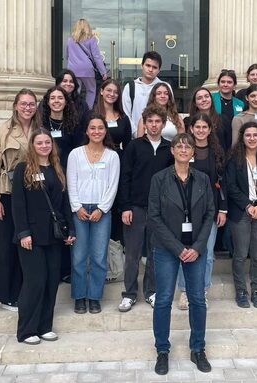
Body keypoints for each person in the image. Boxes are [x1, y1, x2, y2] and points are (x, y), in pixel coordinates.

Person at [148, 133, 214, 376]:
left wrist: (196, 247)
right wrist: (178, 248)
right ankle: (162, 350)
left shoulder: (203, 179)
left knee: (197, 299)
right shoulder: (159, 179)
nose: (184, 150)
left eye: (188, 146)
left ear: (193, 152)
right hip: (167, 248)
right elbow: (153, 217)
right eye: (179, 146)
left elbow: (209, 213)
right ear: (173, 151)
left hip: (195, 248)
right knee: (164, 299)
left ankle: (198, 348)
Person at [11, 129, 76, 345]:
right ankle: (27, 330)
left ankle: (44, 326)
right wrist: (23, 232)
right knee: (34, 282)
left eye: (47, 142)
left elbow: (64, 202)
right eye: (39, 143)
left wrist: (70, 231)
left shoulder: (58, 169)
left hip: (54, 236)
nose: (44, 146)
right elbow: (18, 204)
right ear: (32, 145)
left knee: (50, 282)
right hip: (32, 237)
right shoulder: (23, 169)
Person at [0, 88, 40, 312]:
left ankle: (23, 290)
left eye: (31, 104)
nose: (28, 108)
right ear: (16, 106)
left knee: (25, 246)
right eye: (24, 104)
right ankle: (6, 295)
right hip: (8, 194)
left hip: (32, 194)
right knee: (6, 245)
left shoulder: (39, 129)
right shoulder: (3, 131)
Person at [117, 105, 174, 312]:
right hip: (136, 207)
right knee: (132, 253)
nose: (154, 125)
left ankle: (151, 292)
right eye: (150, 121)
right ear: (145, 123)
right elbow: (125, 178)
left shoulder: (170, 149)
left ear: (163, 124)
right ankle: (129, 294)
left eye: (158, 121)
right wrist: (125, 207)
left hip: (160, 210)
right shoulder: (134, 146)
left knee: (154, 252)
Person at [66, 114, 120, 314]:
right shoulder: (75, 154)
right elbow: (71, 182)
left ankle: (95, 296)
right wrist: (77, 207)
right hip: (79, 208)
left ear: (105, 131)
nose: (97, 131)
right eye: (93, 128)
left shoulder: (112, 156)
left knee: (98, 256)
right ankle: (79, 296)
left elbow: (113, 185)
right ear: (87, 131)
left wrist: (102, 209)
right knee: (79, 256)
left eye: (100, 128)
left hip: (102, 211)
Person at [177, 113, 227, 310]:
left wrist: (222, 208)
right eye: (197, 127)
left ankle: (202, 290)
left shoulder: (217, 152)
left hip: (210, 210)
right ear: (191, 129)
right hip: (185, 210)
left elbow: (222, 183)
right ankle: (184, 291)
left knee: (206, 253)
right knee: (185, 251)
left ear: (209, 129)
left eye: (204, 127)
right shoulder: (184, 150)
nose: (200, 130)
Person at [225, 122, 257, 309]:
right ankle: (240, 291)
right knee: (240, 254)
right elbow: (230, 186)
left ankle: (256, 291)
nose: (252, 138)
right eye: (248, 135)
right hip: (241, 212)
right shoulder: (234, 159)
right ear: (242, 138)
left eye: (255, 135)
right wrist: (247, 205)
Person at [41, 85, 80, 283]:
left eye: (60, 98)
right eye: (53, 98)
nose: (56, 101)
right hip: (47, 175)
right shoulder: (41, 124)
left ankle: (66, 269)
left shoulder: (73, 123)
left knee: (65, 219)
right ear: (47, 102)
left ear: (66, 101)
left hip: (67, 176)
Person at [92, 79, 132, 243]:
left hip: (119, 161)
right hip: (97, 160)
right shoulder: (92, 115)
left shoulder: (123, 118)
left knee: (115, 202)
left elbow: (129, 144)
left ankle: (114, 246)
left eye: (115, 92)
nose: (112, 94)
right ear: (101, 91)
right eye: (109, 90)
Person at [122, 51, 172, 138]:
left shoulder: (165, 87)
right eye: (148, 65)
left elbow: (171, 111)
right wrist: (137, 133)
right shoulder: (130, 87)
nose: (150, 70)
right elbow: (126, 114)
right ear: (142, 65)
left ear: (159, 70)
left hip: (161, 138)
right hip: (136, 138)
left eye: (154, 67)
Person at [66, 18, 108, 109]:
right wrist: (103, 72)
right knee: (91, 91)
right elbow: (96, 56)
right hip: (87, 70)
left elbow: (67, 56)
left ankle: (74, 110)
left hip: (73, 70)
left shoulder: (70, 40)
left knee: (75, 91)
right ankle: (87, 111)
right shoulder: (91, 39)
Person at [184, 87, 228, 154]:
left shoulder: (223, 119)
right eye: (199, 98)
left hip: (220, 160)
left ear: (211, 99)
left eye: (206, 96)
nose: (204, 100)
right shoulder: (187, 121)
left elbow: (229, 143)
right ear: (195, 103)